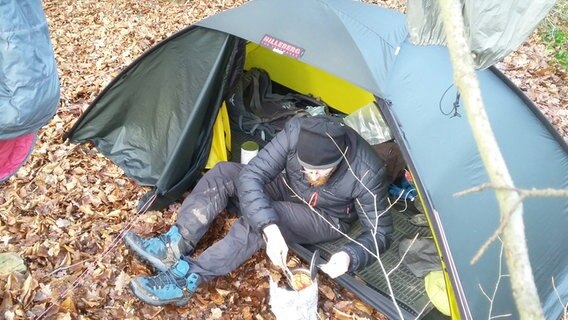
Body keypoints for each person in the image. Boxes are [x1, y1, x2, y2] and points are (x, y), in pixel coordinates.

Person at [124, 115, 393, 306]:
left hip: (325, 215)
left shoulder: (367, 170)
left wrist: (350, 255)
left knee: (266, 218)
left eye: (319, 171)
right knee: (225, 173)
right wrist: (270, 226)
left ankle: (189, 278)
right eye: (306, 167)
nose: (311, 174)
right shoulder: (295, 131)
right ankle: (175, 243)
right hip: (286, 186)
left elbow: (380, 232)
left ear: (340, 159)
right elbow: (253, 175)